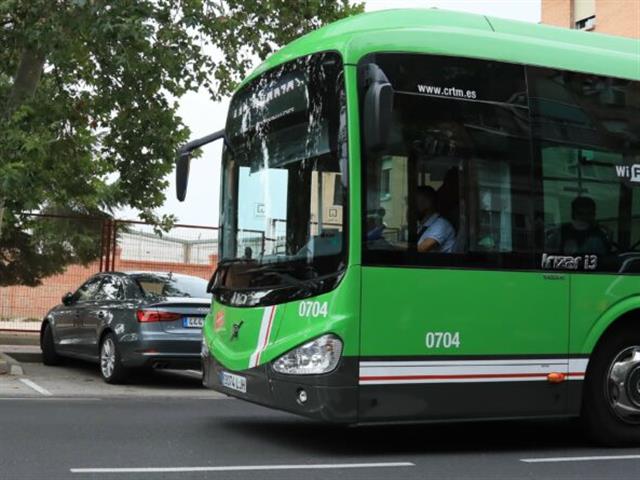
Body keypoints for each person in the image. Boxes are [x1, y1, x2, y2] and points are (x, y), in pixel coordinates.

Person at [416, 185, 456, 253]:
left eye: (415, 203)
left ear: (427, 203)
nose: (411, 209)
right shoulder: (424, 225)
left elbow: (421, 249)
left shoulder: (441, 224)